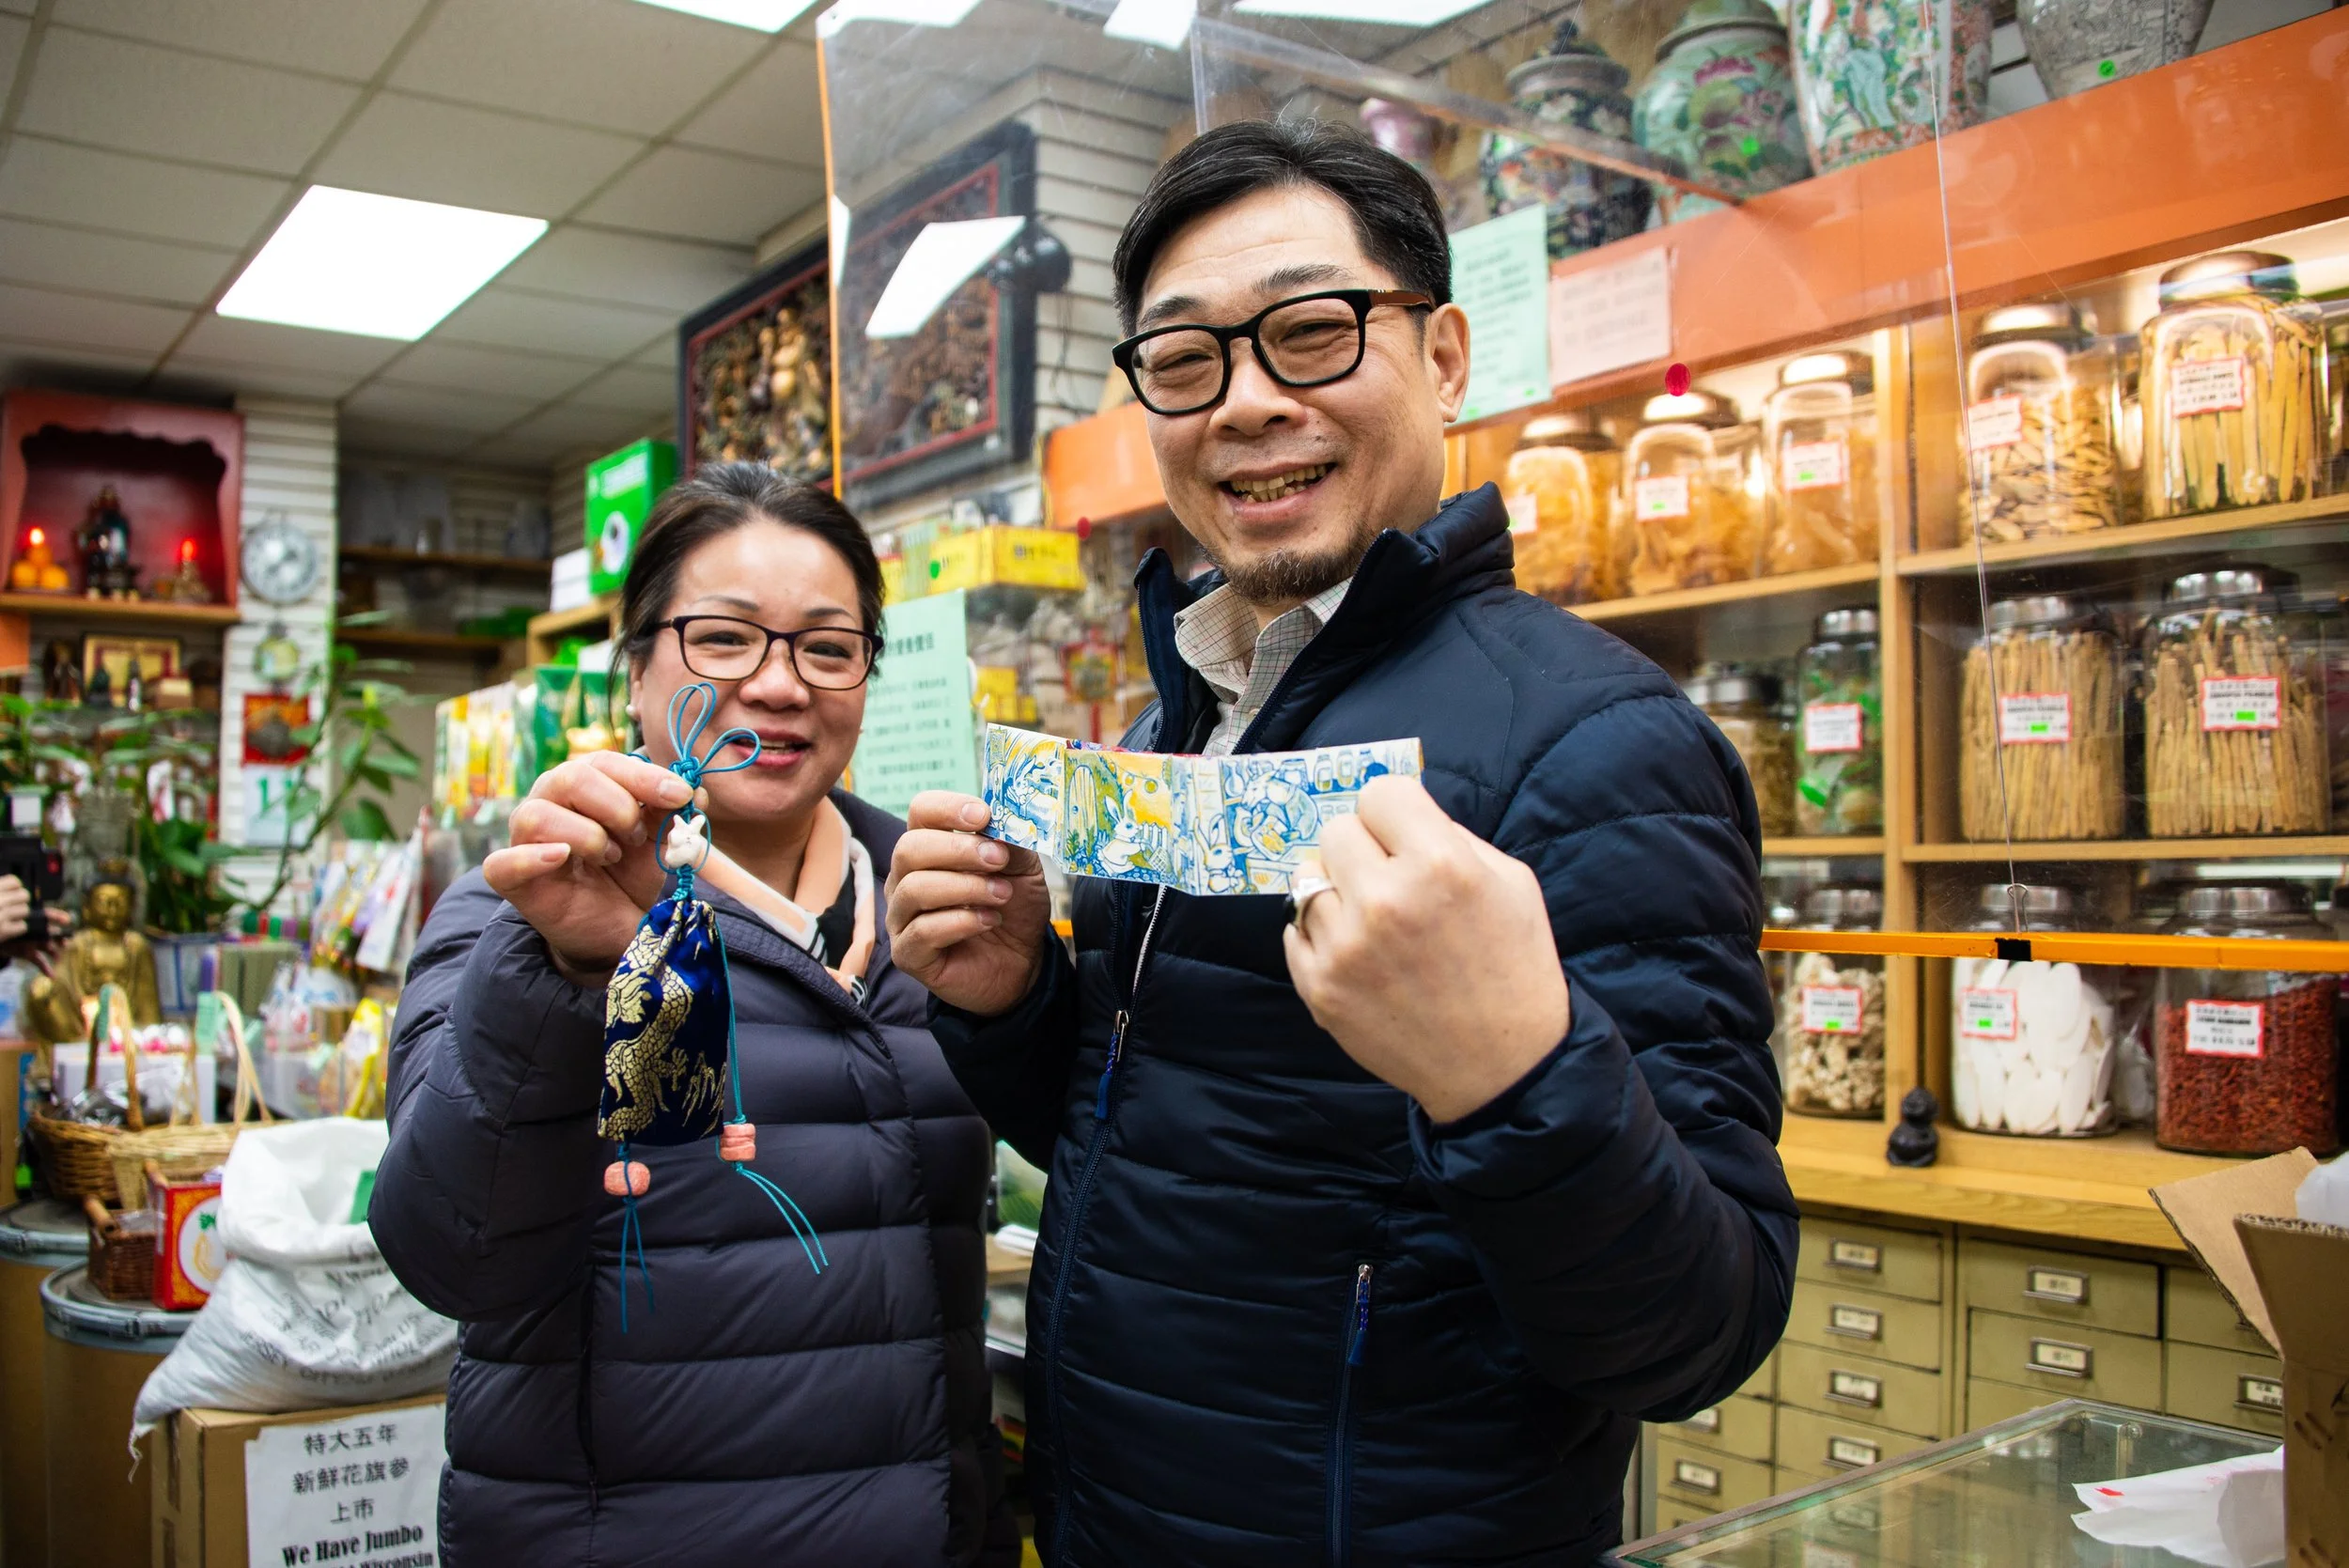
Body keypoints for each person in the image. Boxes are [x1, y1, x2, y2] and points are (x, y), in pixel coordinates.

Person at [885, 119, 1796, 1567]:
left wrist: (1510, 1074)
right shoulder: (1181, 723)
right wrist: (1011, 1002)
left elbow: (1700, 1328)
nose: (1243, 403)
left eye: (1311, 333)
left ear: (1441, 360)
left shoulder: (1599, 742)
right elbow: (1173, 1145)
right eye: (1184, 361)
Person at [373, 465, 1019, 1568]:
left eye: (827, 646)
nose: (780, 685)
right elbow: (451, 1257)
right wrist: (571, 971)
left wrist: (1024, 1007)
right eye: (723, 639)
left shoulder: (937, 905)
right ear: (635, 670)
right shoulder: (517, 912)